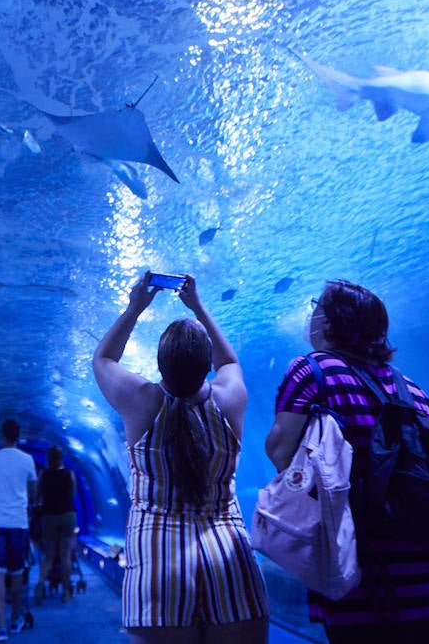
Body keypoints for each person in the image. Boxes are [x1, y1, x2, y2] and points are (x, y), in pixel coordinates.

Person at [264, 279, 429, 643]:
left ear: (330, 322)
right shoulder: (411, 387)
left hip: (373, 580)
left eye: (316, 306)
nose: (310, 315)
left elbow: (281, 453)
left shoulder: (312, 370)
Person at [93, 272, 268, 644]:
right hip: (229, 556)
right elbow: (230, 363)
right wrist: (198, 307)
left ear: (160, 365)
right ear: (206, 365)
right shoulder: (229, 400)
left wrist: (134, 307)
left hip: (157, 559)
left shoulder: (141, 401)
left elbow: (104, 357)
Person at [0, 418, 38, 642]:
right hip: (18, 523)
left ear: (2, 435)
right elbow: (33, 492)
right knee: (16, 571)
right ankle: (15, 619)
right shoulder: (28, 460)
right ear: (18, 435)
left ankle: (1, 625)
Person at [35, 445, 78, 603]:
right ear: (61, 458)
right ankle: (66, 592)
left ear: (48, 458)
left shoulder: (44, 474)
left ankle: (40, 584)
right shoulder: (69, 474)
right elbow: (72, 495)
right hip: (67, 514)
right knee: (65, 554)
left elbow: (37, 496)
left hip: (49, 516)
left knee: (49, 555)